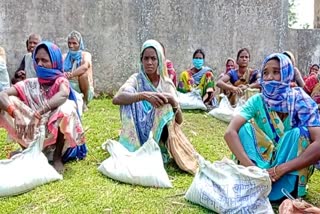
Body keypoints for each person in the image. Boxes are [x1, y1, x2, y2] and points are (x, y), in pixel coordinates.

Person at [224, 53, 320, 201]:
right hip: (261, 164)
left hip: (289, 167)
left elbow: (319, 143)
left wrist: (280, 169)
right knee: (243, 129)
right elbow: (230, 132)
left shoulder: (301, 101)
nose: (269, 77)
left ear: (287, 74)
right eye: (265, 73)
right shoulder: (258, 100)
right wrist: (255, 170)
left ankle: (286, 188)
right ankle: (254, 181)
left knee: (297, 134)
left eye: (276, 72)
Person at [0, 41, 87, 173]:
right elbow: (2, 94)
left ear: (55, 61)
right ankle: (28, 151)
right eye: (37, 60)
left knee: (67, 108)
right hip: (34, 134)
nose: (40, 64)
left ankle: (56, 158)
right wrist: (16, 113)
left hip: (57, 140)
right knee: (9, 102)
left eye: (44, 60)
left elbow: (63, 94)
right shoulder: (31, 83)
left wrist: (39, 112)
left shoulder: (60, 81)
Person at [112, 39, 183, 162]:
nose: (149, 62)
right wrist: (144, 95)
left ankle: (154, 149)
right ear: (141, 60)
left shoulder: (166, 83)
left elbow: (179, 120)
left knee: (165, 103)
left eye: (153, 59)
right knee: (128, 96)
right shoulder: (136, 79)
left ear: (159, 60)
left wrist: (172, 100)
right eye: (146, 58)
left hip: (158, 134)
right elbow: (117, 99)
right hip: (137, 130)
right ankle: (131, 148)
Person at [63, 30, 94, 107]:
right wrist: (64, 74)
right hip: (68, 87)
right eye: (69, 43)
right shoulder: (64, 56)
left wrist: (72, 74)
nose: (71, 46)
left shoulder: (85, 55)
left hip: (82, 88)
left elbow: (85, 67)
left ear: (79, 44)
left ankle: (84, 102)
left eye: (74, 43)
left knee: (83, 75)